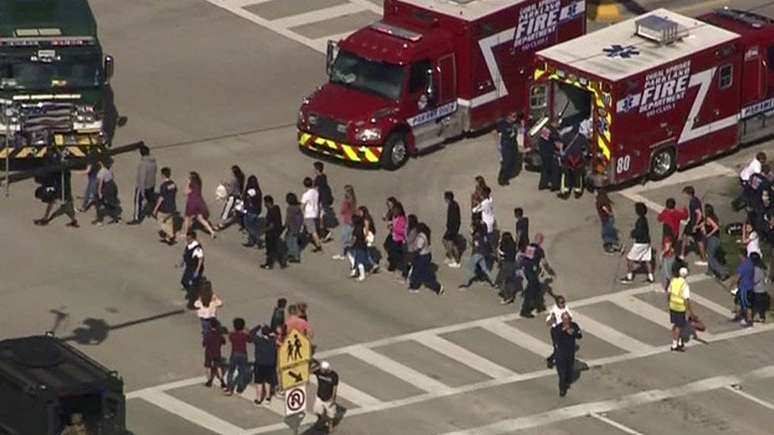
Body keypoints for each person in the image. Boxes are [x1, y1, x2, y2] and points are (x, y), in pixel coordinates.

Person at [34, 159, 79, 228]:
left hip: (64, 194)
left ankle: (46, 219)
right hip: (63, 193)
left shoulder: (64, 174)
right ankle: (46, 218)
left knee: (66, 209)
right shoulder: (63, 174)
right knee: (65, 209)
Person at [520, 233, 555, 317]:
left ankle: (539, 306)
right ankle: (525, 310)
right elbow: (544, 263)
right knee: (531, 290)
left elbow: (525, 258)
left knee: (537, 287)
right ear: (540, 240)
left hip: (526, 269)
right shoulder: (539, 250)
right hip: (531, 271)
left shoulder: (529, 247)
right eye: (542, 239)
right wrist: (550, 271)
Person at [621, 202, 655, 284]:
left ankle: (629, 277)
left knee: (629, 258)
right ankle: (650, 277)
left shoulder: (639, 221)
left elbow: (639, 233)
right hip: (647, 241)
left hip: (640, 243)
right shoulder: (644, 219)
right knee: (647, 259)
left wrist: (633, 233)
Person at [408, 222, 445, 295]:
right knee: (418, 271)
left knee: (421, 273)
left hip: (423, 256)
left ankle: (437, 287)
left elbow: (418, 248)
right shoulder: (424, 235)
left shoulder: (421, 237)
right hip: (425, 255)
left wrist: (412, 255)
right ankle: (414, 285)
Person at [552, 312, 582, 397]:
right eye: (564, 319)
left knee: (569, 370)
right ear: (562, 319)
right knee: (562, 373)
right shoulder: (558, 328)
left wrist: (573, 333)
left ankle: (567, 383)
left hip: (570, 353)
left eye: (568, 319)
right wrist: (563, 330)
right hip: (561, 353)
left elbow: (579, 336)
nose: (566, 321)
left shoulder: (574, 325)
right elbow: (555, 338)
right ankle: (562, 389)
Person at [459, 222, 496, 289]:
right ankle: (493, 282)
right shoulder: (484, 235)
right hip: (483, 253)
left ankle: (466, 284)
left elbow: (476, 245)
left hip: (477, 254)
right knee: (485, 268)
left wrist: (470, 241)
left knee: (469, 268)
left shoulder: (476, 236)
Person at [127, 145, 157, 225]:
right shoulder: (153, 162)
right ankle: (153, 211)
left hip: (142, 186)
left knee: (137, 202)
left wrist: (142, 191)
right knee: (151, 199)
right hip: (151, 184)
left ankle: (136, 218)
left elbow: (142, 178)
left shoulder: (143, 164)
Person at [667, 265, 693, 351]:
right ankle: (675, 345)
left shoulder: (674, 281)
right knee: (679, 326)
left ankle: (679, 341)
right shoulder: (684, 285)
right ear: (686, 275)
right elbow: (686, 299)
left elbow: (669, 293)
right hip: (680, 307)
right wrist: (690, 311)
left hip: (672, 306)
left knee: (676, 324)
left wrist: (669, 302)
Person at [182, 171, 216, 238]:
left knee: (187, 218)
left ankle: (185, 233)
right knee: (200, 218)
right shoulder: (199, 183)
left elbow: (185, 193)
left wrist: (187, 183)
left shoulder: (191, 184)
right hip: (200, 202)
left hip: (192, 202)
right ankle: (211, 231)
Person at [250, 324, 277, 405]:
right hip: (270, 365)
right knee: (268, 381)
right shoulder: (273, 341)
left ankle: (258, 399)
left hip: (260, 364)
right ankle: (268, 398)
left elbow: (251, 333)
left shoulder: (258, 340)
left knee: (259, 382)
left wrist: (258, 326)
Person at [680, 186, 707, 265]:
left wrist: (695, 225)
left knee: (696, 240)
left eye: (684, 194)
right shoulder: (695, 199)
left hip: (693, 224)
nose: (684, 196)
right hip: (693, 223)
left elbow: (699, 214)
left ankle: (683, 254)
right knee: (698, 240)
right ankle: (703, 257)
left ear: (689, 194)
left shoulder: (693, 202)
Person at [224, 318, 250, 396]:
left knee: (231, 371)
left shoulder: (232, 335)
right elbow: (250, 339)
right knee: (242, 371)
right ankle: (240, 388)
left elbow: (230, 338)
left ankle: (229, 388)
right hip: (243, 354)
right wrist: (246, 330)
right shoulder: (244, 335)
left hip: (234, 353)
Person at [557, 128, 586, 199]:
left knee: (565, 175)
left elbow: (561, 146)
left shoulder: (565, 135)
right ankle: (578, 192)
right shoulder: (582, 137)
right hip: (578, 158)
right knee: (578, 175)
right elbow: (587, 147)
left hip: (568, 159)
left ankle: (565, 191)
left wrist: (561, 154)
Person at [545, 295, 572, 368]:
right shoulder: (554, 311)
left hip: (564, 330)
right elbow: (548, 323)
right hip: (556, 331)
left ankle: (554, 359)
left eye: (564, 302)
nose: (563, 304)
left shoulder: (565, 308)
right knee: (558, 349)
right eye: (561, 303)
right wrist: (552, 319)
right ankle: (551, 360)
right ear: (557, 303)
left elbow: (570, 317)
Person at [153, 167, 178, 245]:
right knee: (169, 222)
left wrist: (155, 208)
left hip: (165, 207)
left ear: (163, 175)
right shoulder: (173, 183)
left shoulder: (163, 186)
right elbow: (175, 191)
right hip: (172, 206)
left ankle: (171, 236)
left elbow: (161, 198)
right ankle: (168, 239)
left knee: (161, 221)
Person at [92, 158, 122, 225]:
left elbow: (100, 183)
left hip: (107, 187)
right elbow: (112, 177)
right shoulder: (110, 169)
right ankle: (117, 218)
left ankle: (99, 220)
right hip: (113, 185)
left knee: (98, 203)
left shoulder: (101, 171)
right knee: (111, 202)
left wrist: (99, 192)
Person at [313, 361, 340, 432]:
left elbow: (335, 387)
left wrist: (333, 399)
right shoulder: (318, 372)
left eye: (323, 369)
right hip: (319, 396)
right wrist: (317, 365)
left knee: (331, 415)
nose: (321, 370)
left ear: (327, 369)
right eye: (321, 368)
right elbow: (309, 371)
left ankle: (330, 426)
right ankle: (321, 421)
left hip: (329, 398)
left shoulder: (334, 375)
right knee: (317, 411)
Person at [704, 204, 729, 280]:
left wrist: (709, 234)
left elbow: (716, 227)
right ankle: (710, 271)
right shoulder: (714, 217)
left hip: (712, 239)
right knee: (712, 255)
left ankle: (723, 272)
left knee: (711, 257)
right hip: (717, 239)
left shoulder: (708, 218)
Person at [216, 165, 245, 230]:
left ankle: (221, 224)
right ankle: (243, 223)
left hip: (233, 197)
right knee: (240, 210)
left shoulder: (233, 180)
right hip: (239, 196)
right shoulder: (241, 176)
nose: (230, 173)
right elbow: (236, 187)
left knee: (226, 211)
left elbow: (230, 191)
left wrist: (224, 185)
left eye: (231, 171)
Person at [180, 230, 205, 307]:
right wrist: (182, 262)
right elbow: (185, 254)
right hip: (189, 266)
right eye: (187, 239)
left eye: (189, 239)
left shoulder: (197, 248)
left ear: (193, 238)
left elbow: (201, 259)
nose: (187, 240)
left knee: (193, 283)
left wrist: (197, 270)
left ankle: (196, 297)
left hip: (195, 267)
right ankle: (193, 293)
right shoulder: (188, 245)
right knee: (184, 281)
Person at [496, 111, 521, 186]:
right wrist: (499, 145)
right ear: (508, 116)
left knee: (512, 161)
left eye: (515, 116)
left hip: (513, 144)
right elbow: (503, 135)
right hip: (507, 145)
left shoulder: (514, 124)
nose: (515, 118)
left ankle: (507, 177)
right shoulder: (503, 125)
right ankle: (502, 179)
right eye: (513, 117)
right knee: (506, 163)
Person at [261, 195, 286, 269]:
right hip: (277, 232)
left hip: (271, 233)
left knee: (270, 250)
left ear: (268, 203)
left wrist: (263, 230)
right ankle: (282, 263)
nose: (264, 204)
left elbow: (271, 225)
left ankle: (269, 264)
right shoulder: (276, 208)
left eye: (265, 203)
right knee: (275, 248)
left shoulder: (271, 212)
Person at [333, 185, 356, 260]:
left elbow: (343, 210)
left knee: (345, 238)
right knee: (348, 238)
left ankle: (344, 254)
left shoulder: (347, 201)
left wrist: (342, 209)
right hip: (351, 220)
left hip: (348, 221)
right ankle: (346, 253)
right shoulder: (353, 200)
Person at [732, 250, 755, 327]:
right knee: (739, 302)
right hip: (750, 287)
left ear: (742, 256)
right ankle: (738, 315)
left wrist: (732, 285)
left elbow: (737, 278)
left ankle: (749, 320)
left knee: (746, 305)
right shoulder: (750, 263)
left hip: (744, 288)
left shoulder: (742, 267)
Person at [313, 161, 335, 243]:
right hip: (325, 199)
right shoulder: (324, 176)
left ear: (317, 170)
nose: (314, 170)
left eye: (315, 169)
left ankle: (325, 233)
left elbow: (315, 188)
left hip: (322, 200)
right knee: (320, 217)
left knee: (321, 218)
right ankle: (323, 233)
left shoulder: (318, 179)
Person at [495, 232, 519, 304]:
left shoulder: (504, 246)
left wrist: (499, 245)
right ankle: (510, 296)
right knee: (510, 281)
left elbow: (500, 254)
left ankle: (506, 296)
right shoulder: (513, 244)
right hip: (513, 263)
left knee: (505, 281)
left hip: (506, 264)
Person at [594, 189, 620, 254]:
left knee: (606, 232)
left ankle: (611, 245)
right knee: (608, 231)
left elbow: (604, 207)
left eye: (595, 192)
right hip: (608, 218)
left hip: (606, 218)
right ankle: (612, 244)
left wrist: (609, 212)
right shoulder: (603, 196)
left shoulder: (599, 200)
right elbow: (607, 203)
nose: (594, 194)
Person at [301, 177, 323, 252]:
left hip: (309, 214)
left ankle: (318, 245)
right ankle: (303, 238)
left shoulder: (305, 195)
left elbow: (303, 206)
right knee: (309, 228)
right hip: (315, 212)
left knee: (313, 231)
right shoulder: (316, 192)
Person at [202, 318, 225, 388]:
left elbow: (204, 344)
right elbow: (223, 342)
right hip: (217, 352)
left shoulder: (208, 334)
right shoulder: (219, 334)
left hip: (209, 352)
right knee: (218, 366)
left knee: (208, 366)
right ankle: (222, 381)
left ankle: (209, 381)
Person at [537, 121, 560, 191]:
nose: (558, 125)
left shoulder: (545, 128)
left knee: (545, 168)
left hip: (542, 151)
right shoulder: (553, 131)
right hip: (549, 152)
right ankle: (554, 186)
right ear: (554, 123)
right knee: (555, 169)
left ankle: (542, 185)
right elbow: (557, 144)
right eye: (558, 124)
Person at [242, 175, 263, 248]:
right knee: (252, 226)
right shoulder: (258, 191)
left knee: (248, 226)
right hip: (256, 211)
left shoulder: (251, 191)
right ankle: (251, 241)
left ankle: (257, 240)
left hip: (250, 211)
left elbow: (245, 198)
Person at [386, 202, 407, 272]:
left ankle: (405, 265)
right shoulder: (394, 218)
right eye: (393, 210)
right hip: (394, 238)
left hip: (400, 240)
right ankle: (393, 264)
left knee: (397, 254)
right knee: (390, 250)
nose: (394, 212)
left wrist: (393, 228)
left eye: (395, 210)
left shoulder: (402, 219)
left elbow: (403, 231)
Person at [76, 148, 100, 213]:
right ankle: (96, 205)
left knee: (88, 193)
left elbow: (87, 171)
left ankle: (83, 208)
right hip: (97, 176)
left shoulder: (90, 159)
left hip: (93, 178)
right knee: (95, 193)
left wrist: (78, 173)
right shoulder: (96, 153)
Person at [442, 191, 462, 268]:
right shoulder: (454, 204)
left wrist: (450, 228)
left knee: (450, 243)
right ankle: (452, 257)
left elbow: (453, 219)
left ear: (448, 199)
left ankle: (455, 260)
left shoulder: (452, 206)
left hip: (452, 228)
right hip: (453, 228)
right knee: (450, 243)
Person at [284, 192, 303, 264]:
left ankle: (294, 255)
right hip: (297, 226)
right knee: (291, 239)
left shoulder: (290, 208)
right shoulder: (298, 207)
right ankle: (291, 253)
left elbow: (288, 218)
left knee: (291, 240)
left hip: (292, 227)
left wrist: (285, 225)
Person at [750, 252, 769, 323]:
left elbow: (755, 280)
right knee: (761, 306)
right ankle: (762, 317)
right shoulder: (762, 267)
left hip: (758, 290)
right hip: (763, 290)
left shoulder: (757, 269)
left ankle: (755, 317)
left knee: (755, 305)